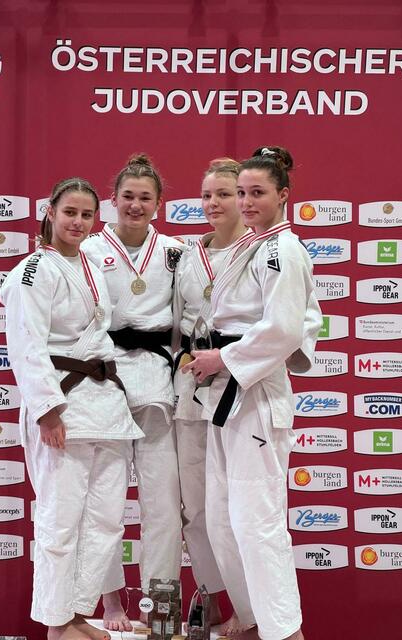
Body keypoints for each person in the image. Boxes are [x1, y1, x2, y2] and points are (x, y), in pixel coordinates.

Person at [182, 146, 322, 640]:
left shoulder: (283, 250)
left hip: (256, 395)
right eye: (240, 192)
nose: (246, 202)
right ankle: (253, 619)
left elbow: (284, 329)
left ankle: (284, 632)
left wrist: (223, 359)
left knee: (257, 522)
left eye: (257, 192)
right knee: (223, 519)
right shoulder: (255, 246)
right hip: (227, 392)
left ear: (283, 195)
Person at [0, 177, 144, 640]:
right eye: (70, 213)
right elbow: (26, 344)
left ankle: (78, 611)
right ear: (50, 211)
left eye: (86, 215)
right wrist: (46, 410)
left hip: (105, 405)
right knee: (60, 521)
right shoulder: (32, 271)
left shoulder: (91, 267)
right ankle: (56, 623)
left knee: (105, 520)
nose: (78, 222)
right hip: (63, 405)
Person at [82, 155, 184, 632]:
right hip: (103, 379)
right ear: (113, 200)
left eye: (145, 198)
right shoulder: (87, 249)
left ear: (159, 204)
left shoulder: (175, 252)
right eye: (128, 196)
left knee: (162, 504)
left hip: (157, 382)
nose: (135, 205)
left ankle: (161, 609)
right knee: (103, 502)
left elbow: (188, 318)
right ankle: (110, 604)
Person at [172, 158, 254, 627]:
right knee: (195, 506)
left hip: (237, 385)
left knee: (236, 505)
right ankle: (212, 596)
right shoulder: (188, 254)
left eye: (224, 194)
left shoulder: (258, 251)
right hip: (190, 386)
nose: (213, 203)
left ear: (242, 198)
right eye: (207, 195)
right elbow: (174, 326)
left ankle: (249, 609)